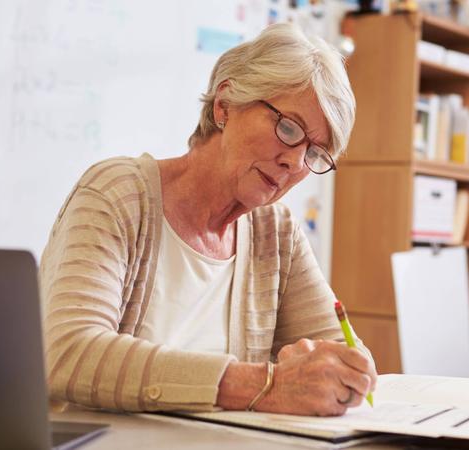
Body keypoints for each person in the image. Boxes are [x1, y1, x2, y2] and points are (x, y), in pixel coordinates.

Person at [39, 22, 376, 417]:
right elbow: (69, 352)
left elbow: (343, 358)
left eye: (315, 153)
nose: (294, 161)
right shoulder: (118, 194)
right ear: (225, 105)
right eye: (288, 128)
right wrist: (265, 386)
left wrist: (345, 373)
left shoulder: (276, 233)